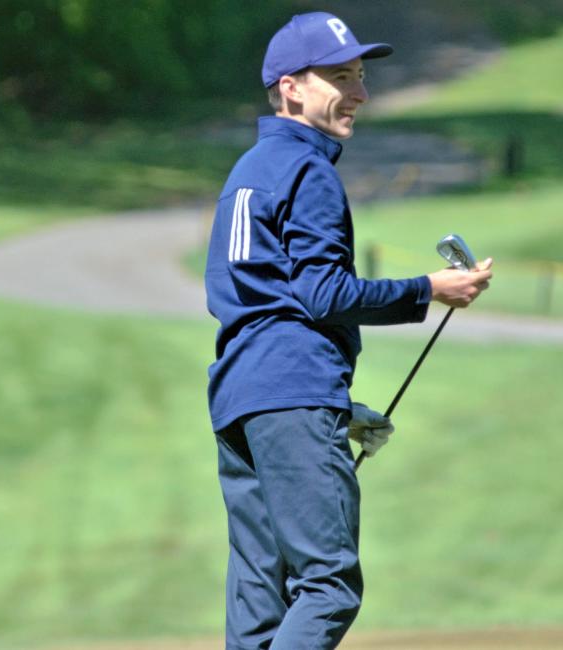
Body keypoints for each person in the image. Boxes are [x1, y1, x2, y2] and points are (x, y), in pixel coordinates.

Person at [203, 11, 492, 650]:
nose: (359, 93)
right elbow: (322, 294)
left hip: (242, 402)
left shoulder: (248, 172)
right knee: (328, 586)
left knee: (259, 606)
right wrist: (430, 289)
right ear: (290, 87)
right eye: (341, 77)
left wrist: (341, 409)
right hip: (291, 395)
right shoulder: (310, 172)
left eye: (360, 77)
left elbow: (253, 305)